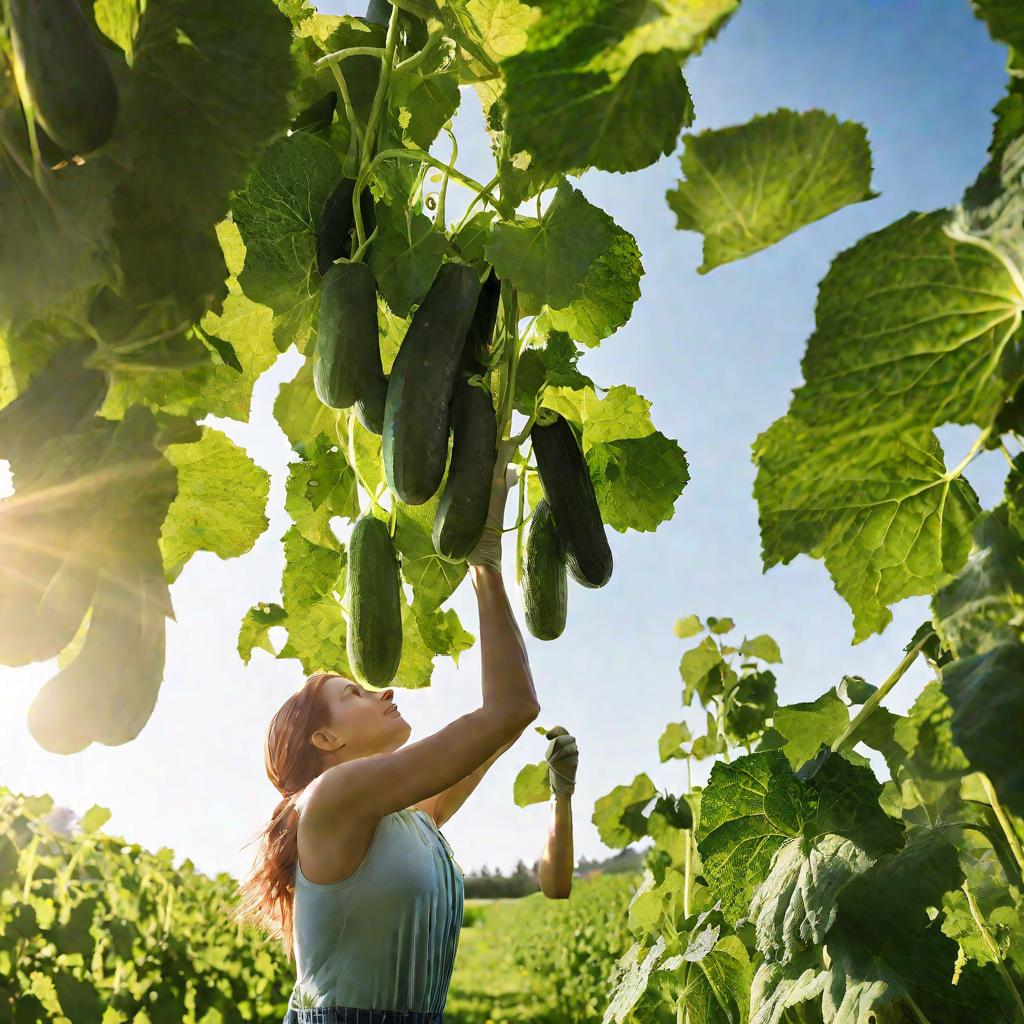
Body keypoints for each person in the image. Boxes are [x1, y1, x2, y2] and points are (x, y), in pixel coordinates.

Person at [233, 454, 580, 1023]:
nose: (384, 692)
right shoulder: (330, 801)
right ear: (324, 739)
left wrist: (559, 791)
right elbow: (509, 708)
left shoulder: (410, 817)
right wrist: (483, 561)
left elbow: (504, 724)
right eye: (355, 695)